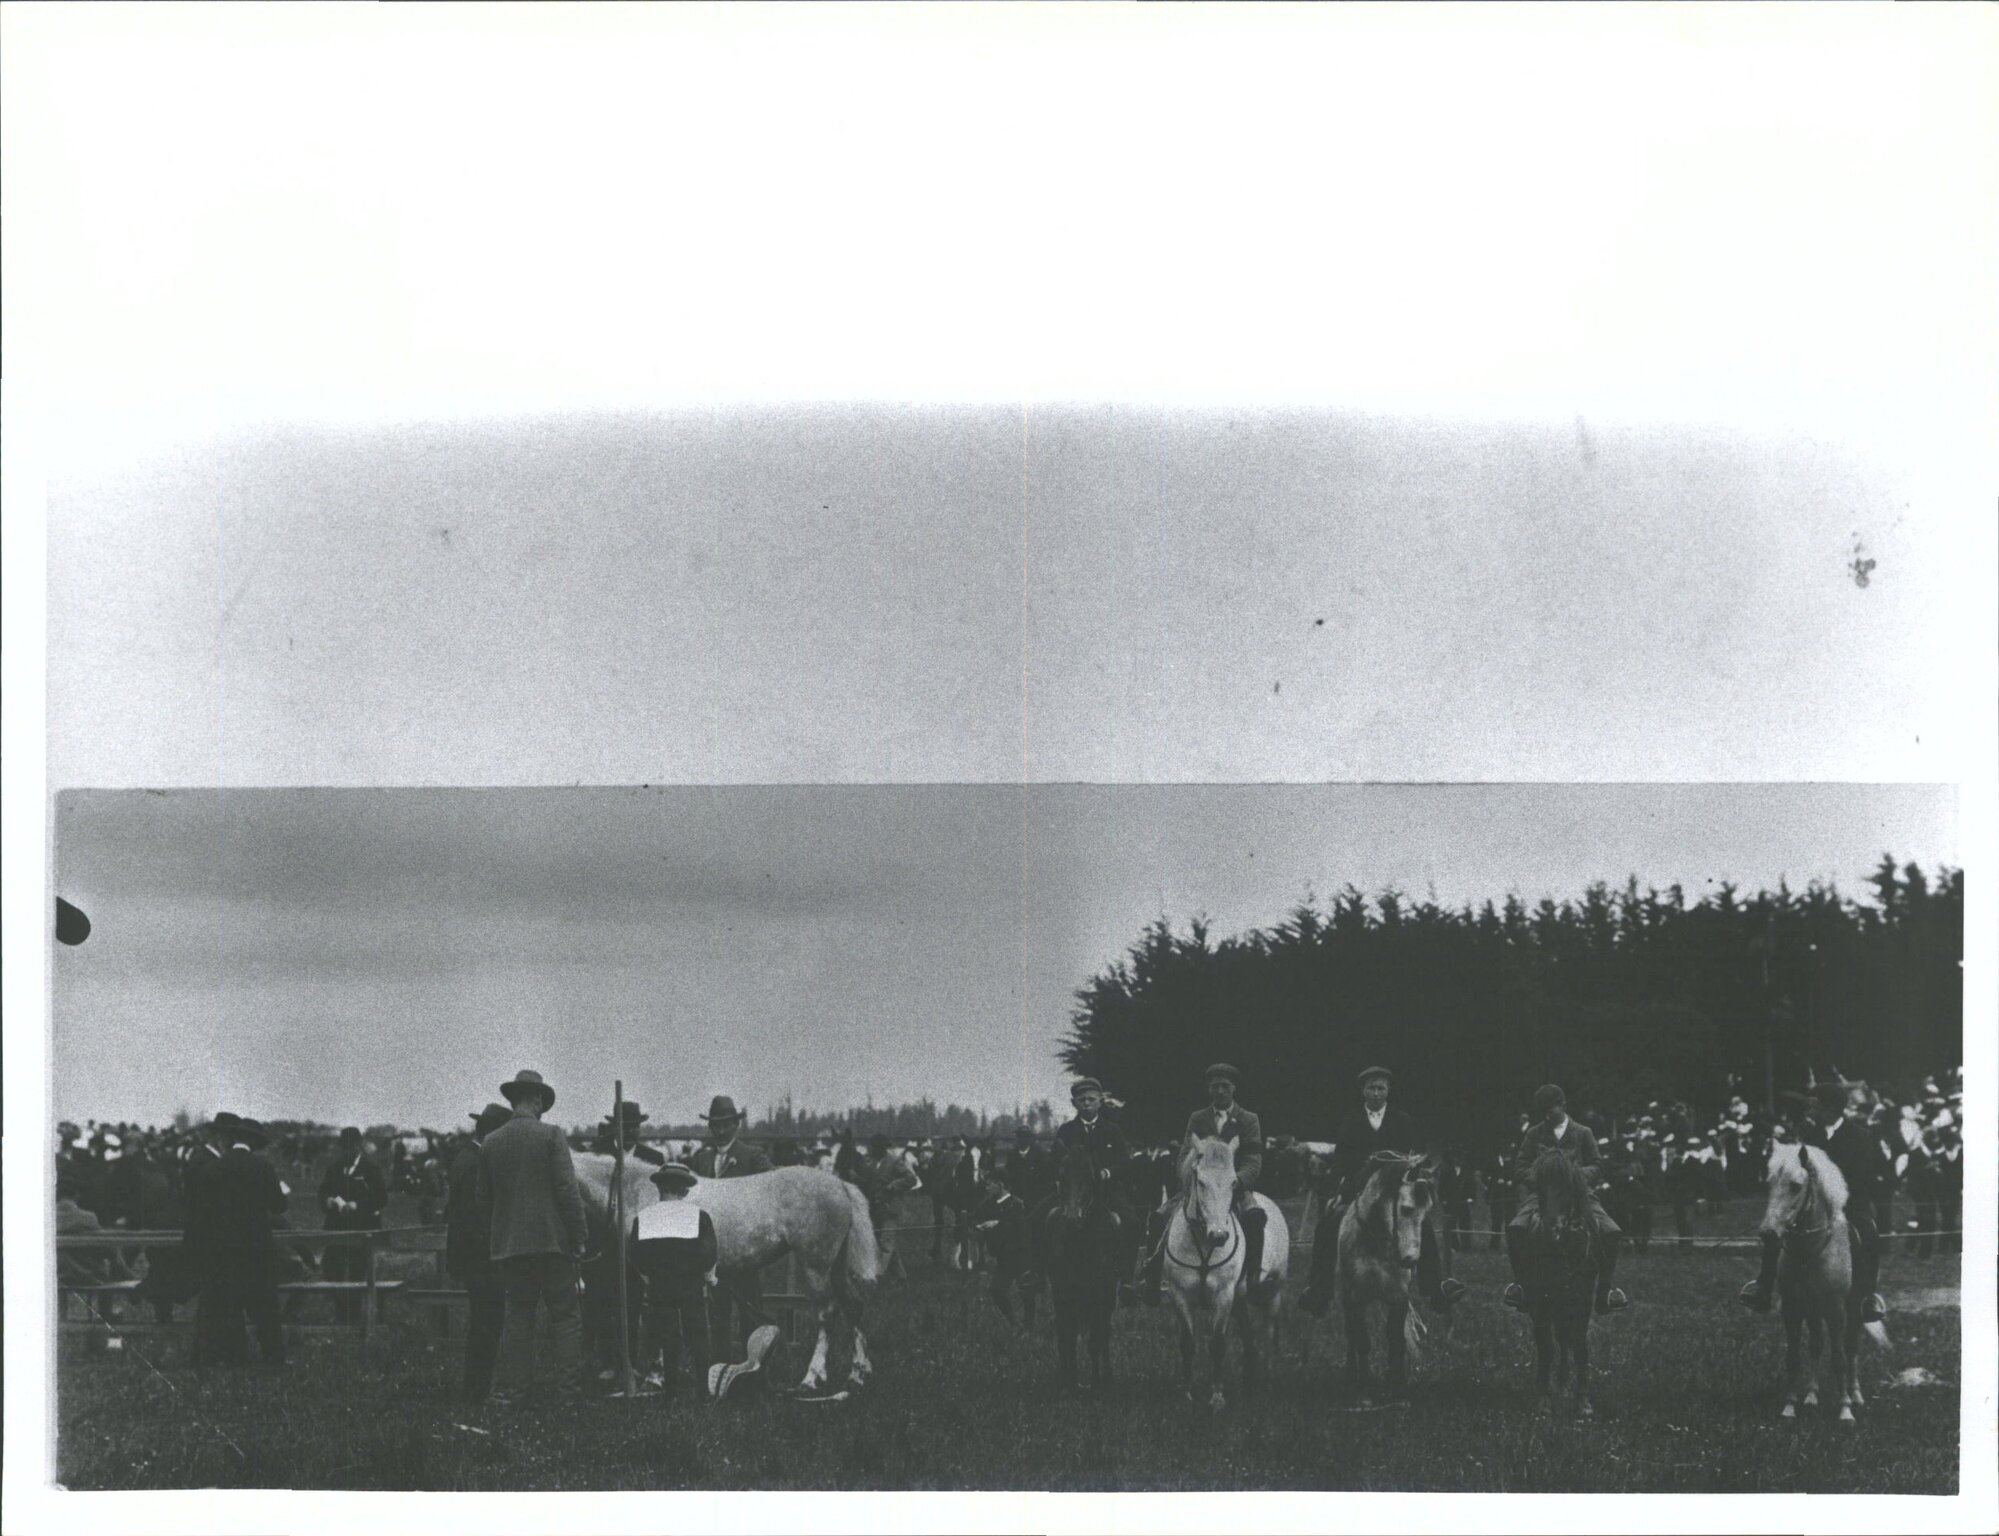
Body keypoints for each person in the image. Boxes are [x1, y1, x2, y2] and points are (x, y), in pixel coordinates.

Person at [1300, 1067, 1465, 1316]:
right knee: (1328, 1224)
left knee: (1425, 1227)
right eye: (1371, 1088)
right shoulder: (1350, 1121)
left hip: (1396, 1190)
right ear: (1363, 1091)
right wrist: (1337, 1191)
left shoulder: (1402, 1120)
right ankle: (1319, 1290)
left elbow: (1411, 1157)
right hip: (1358, 1191)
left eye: (1381, 1088)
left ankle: (1435, 1288)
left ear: (1389, 1090)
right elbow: (1340, 1161)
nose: (1376, 1093)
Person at [477, 1069, 589, 1403]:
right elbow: (568, 1192)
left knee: (518, 1318)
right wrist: (579, 1236)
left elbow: (483, 1201)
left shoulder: (491, 1143)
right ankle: (568, 1393)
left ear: (513, 1100)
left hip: (511, 1249)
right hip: (552, 1245)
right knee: (566, 1317)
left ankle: (514, 1392)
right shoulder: (552, 1136)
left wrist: (499, 1234)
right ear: (537, 1099)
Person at [1738, 1079, 1888, 1322]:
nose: (1810, 1111)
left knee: (1868, 1233)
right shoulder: (1809, 1134)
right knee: (1775, 1231)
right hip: (1811, 1201)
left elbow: (1863, 1175)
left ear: (1830, 1108)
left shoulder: (1859, 1135)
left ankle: (1866, 1298)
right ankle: (1763, 1287)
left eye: (1815, 1106)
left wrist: (1833, 1191)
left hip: (1848, 1202)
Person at [1137, 1064, 1266, 1306]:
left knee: (1255, 1218)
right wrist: (1190, 1180)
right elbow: (1185, 1154)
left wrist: (1237, 1181)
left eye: (1225, 1086)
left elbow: (1253, 1158)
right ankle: (1152, 1281)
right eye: (1215, 1086)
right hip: (1198, 1187)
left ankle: (1253, 1276)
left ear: (1234, 1088)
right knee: (1158, 1218)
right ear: (1209, 1089)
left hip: (1234, 1187)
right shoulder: (1198, 1118)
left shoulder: (1249, 1119)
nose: (1220, 1091)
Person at [1501, 1084, 1628, 1315]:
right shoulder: (1534, 1133)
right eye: (1543, 1112)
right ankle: (1521, 1287)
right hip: (1542, 1195)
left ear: (1563, 1106)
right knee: (1515, 1228)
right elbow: (1520, 1165)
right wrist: (1542, 1180)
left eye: (1551, 1109)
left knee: (1611, 1231)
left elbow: (1597, 1164)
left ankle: (1605, 1292)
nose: (1547, 1116)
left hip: (1580, 1194)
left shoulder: (1583, 1132)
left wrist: (1576, 1178)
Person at [189, 1116, 289, 1366]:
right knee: (265, 1306)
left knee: (229, 1304)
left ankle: (235, 1356)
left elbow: (201, 1212)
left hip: (224, 1249)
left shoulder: (212, 1169)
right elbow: (278, 1205)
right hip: (257, 1247)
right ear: (254, 1144)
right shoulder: (263, 1167)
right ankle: (273, 1356)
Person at [1028, 1078, 1134, 1292]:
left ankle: (1128, 1278)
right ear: (1074, 1102)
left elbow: (1124, 1161)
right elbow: (1055, 1160)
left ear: (1100, 1102)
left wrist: (1108, 1172)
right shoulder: (1066, 1131)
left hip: (1107, 1190)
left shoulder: (1112, 1130)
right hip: (1072, 1191)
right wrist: (1061, 1178)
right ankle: (1036, 1274)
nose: (1087, 1103)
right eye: (1082, 1099)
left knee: (1131, 1220)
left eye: (1091, 1099)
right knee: (1036, 1216)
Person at [688, 1094, 773, 1359]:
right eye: (716, 1124)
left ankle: (754, 1371)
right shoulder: (702, 1160)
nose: (721, 1130)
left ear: (736, 1125)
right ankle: (720, 1367)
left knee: (750, 1310)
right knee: (717, 1311)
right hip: (712, 1254)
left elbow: (772, 1188)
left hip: (745, 1249)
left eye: (726, 1124)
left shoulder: (752, 1157)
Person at [628, 1162, 717, 1400]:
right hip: (690, 1285)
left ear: (659, 1188)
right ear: (686, 1191)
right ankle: (701, 1391)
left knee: (668, 1338)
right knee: (698, 1336)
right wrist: (707, 1275)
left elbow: (635, 1253)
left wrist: (649, 1276)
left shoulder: (644, 1217)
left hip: (660, 1286)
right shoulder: (699, 1216)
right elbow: (709, 1253)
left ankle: (670, 1393)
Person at [446, 1101, 513, 1403]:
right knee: (487, 1324)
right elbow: (476, 1218)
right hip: (482, 1258)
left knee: (482, 1323)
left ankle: (477, 1390)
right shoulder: (475, 1163)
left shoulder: (467, 1157)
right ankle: (478, 1393)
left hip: (473, 1256)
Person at [319, 1127, 387, 1324]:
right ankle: (341, 1313)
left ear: (358, 1147)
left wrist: (357, 1205)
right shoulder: (334, 1168)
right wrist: (329, 1201)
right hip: (336, 1229)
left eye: (350, 1148)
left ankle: (355, 1316)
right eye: (343, 1148)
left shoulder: (370, 1169)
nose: (346, 1152)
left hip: (361, 1229)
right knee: (333, 1269)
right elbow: (323, 1192)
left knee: (358, 1271)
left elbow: (381, 1198)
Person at [970, 1168, 1037, 1324]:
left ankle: (1029, 1325)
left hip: (1021, 1256)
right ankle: (1013, 1322)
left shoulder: (1017, 1204)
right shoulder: (988, 1203)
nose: (986, 1188)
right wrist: (978, 1226)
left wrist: (997, 1224)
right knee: (997, 1291)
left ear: (1000, 1185)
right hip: (1004, 1259)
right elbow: (974, 1217)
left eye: (989, 1185)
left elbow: (1021, 1229)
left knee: (1026, 1291)